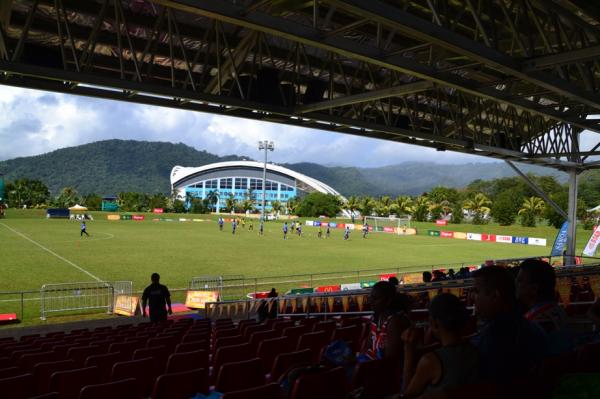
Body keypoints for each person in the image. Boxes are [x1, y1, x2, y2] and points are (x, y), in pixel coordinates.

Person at [471, 266, 547, 383]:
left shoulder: (492, 338)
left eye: (476, 291)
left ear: (495, 295)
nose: (472, 298)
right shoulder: (533, 326)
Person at [402, 293, 479, 398]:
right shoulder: (476, 348)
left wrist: (408, 350)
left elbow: (406, 395)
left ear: (434, 323)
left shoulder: (430, 361)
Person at [516, 258, 573, 355]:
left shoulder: (535, 321)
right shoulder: (556, 310)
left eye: (520, 281)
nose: (516, 284)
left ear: (534, 288)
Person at [364, 281, 411, 361]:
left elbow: (389, 360)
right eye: (371, 297)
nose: (370, 301)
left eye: (375, 298)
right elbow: (368, 347)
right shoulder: (376, 318)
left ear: (388, 300)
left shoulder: (395, 321)